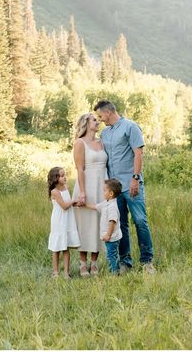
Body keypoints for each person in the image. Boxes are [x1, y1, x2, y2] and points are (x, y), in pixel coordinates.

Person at [94, 100, 155, 274]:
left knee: (140, 221)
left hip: (131, 183)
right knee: (120, 224)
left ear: (108, 112)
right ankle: (125, 261)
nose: (100, 119)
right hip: (114, 188)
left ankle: (147, 261)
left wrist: (135, 178)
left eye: (101, 116)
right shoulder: (105, 134)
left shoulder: (130, 127)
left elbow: (138, 153)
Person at [72, 112, 108, 277]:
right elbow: (80, 168)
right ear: (86, 123)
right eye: (94, 119)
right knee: (85, 224)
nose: (98, 121)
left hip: (102, 186)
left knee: (99, 224)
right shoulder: (80, 143)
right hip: (86, 186)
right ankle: (82, 264)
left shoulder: (101, 142)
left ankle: (94, 263)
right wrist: (83, 192)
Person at [47, 166, 80, 278]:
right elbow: (65, 206)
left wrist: (76, 203)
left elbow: (69, 203)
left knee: (65, 247)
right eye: (61, 175)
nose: (64, 177)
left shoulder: (66, 187)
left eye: (65, 174)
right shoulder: (54, 192)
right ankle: (55, 272)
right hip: (59, 220)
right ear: (55, 178)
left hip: (67, 220)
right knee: (56, 247)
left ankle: (67, 272)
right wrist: (73, 201)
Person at [84, 178, 123, 274]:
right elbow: (95, 206)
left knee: (111, 256)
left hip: (112, 238)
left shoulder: (112, 207)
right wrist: (83, 205)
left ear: (111, 194)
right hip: (110, 237)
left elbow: (112, 222)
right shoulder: (106, 203)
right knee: (113, 254)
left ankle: (114, 273)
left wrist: (108, 235)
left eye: (104, 190)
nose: (103, 192)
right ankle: (116, 270)